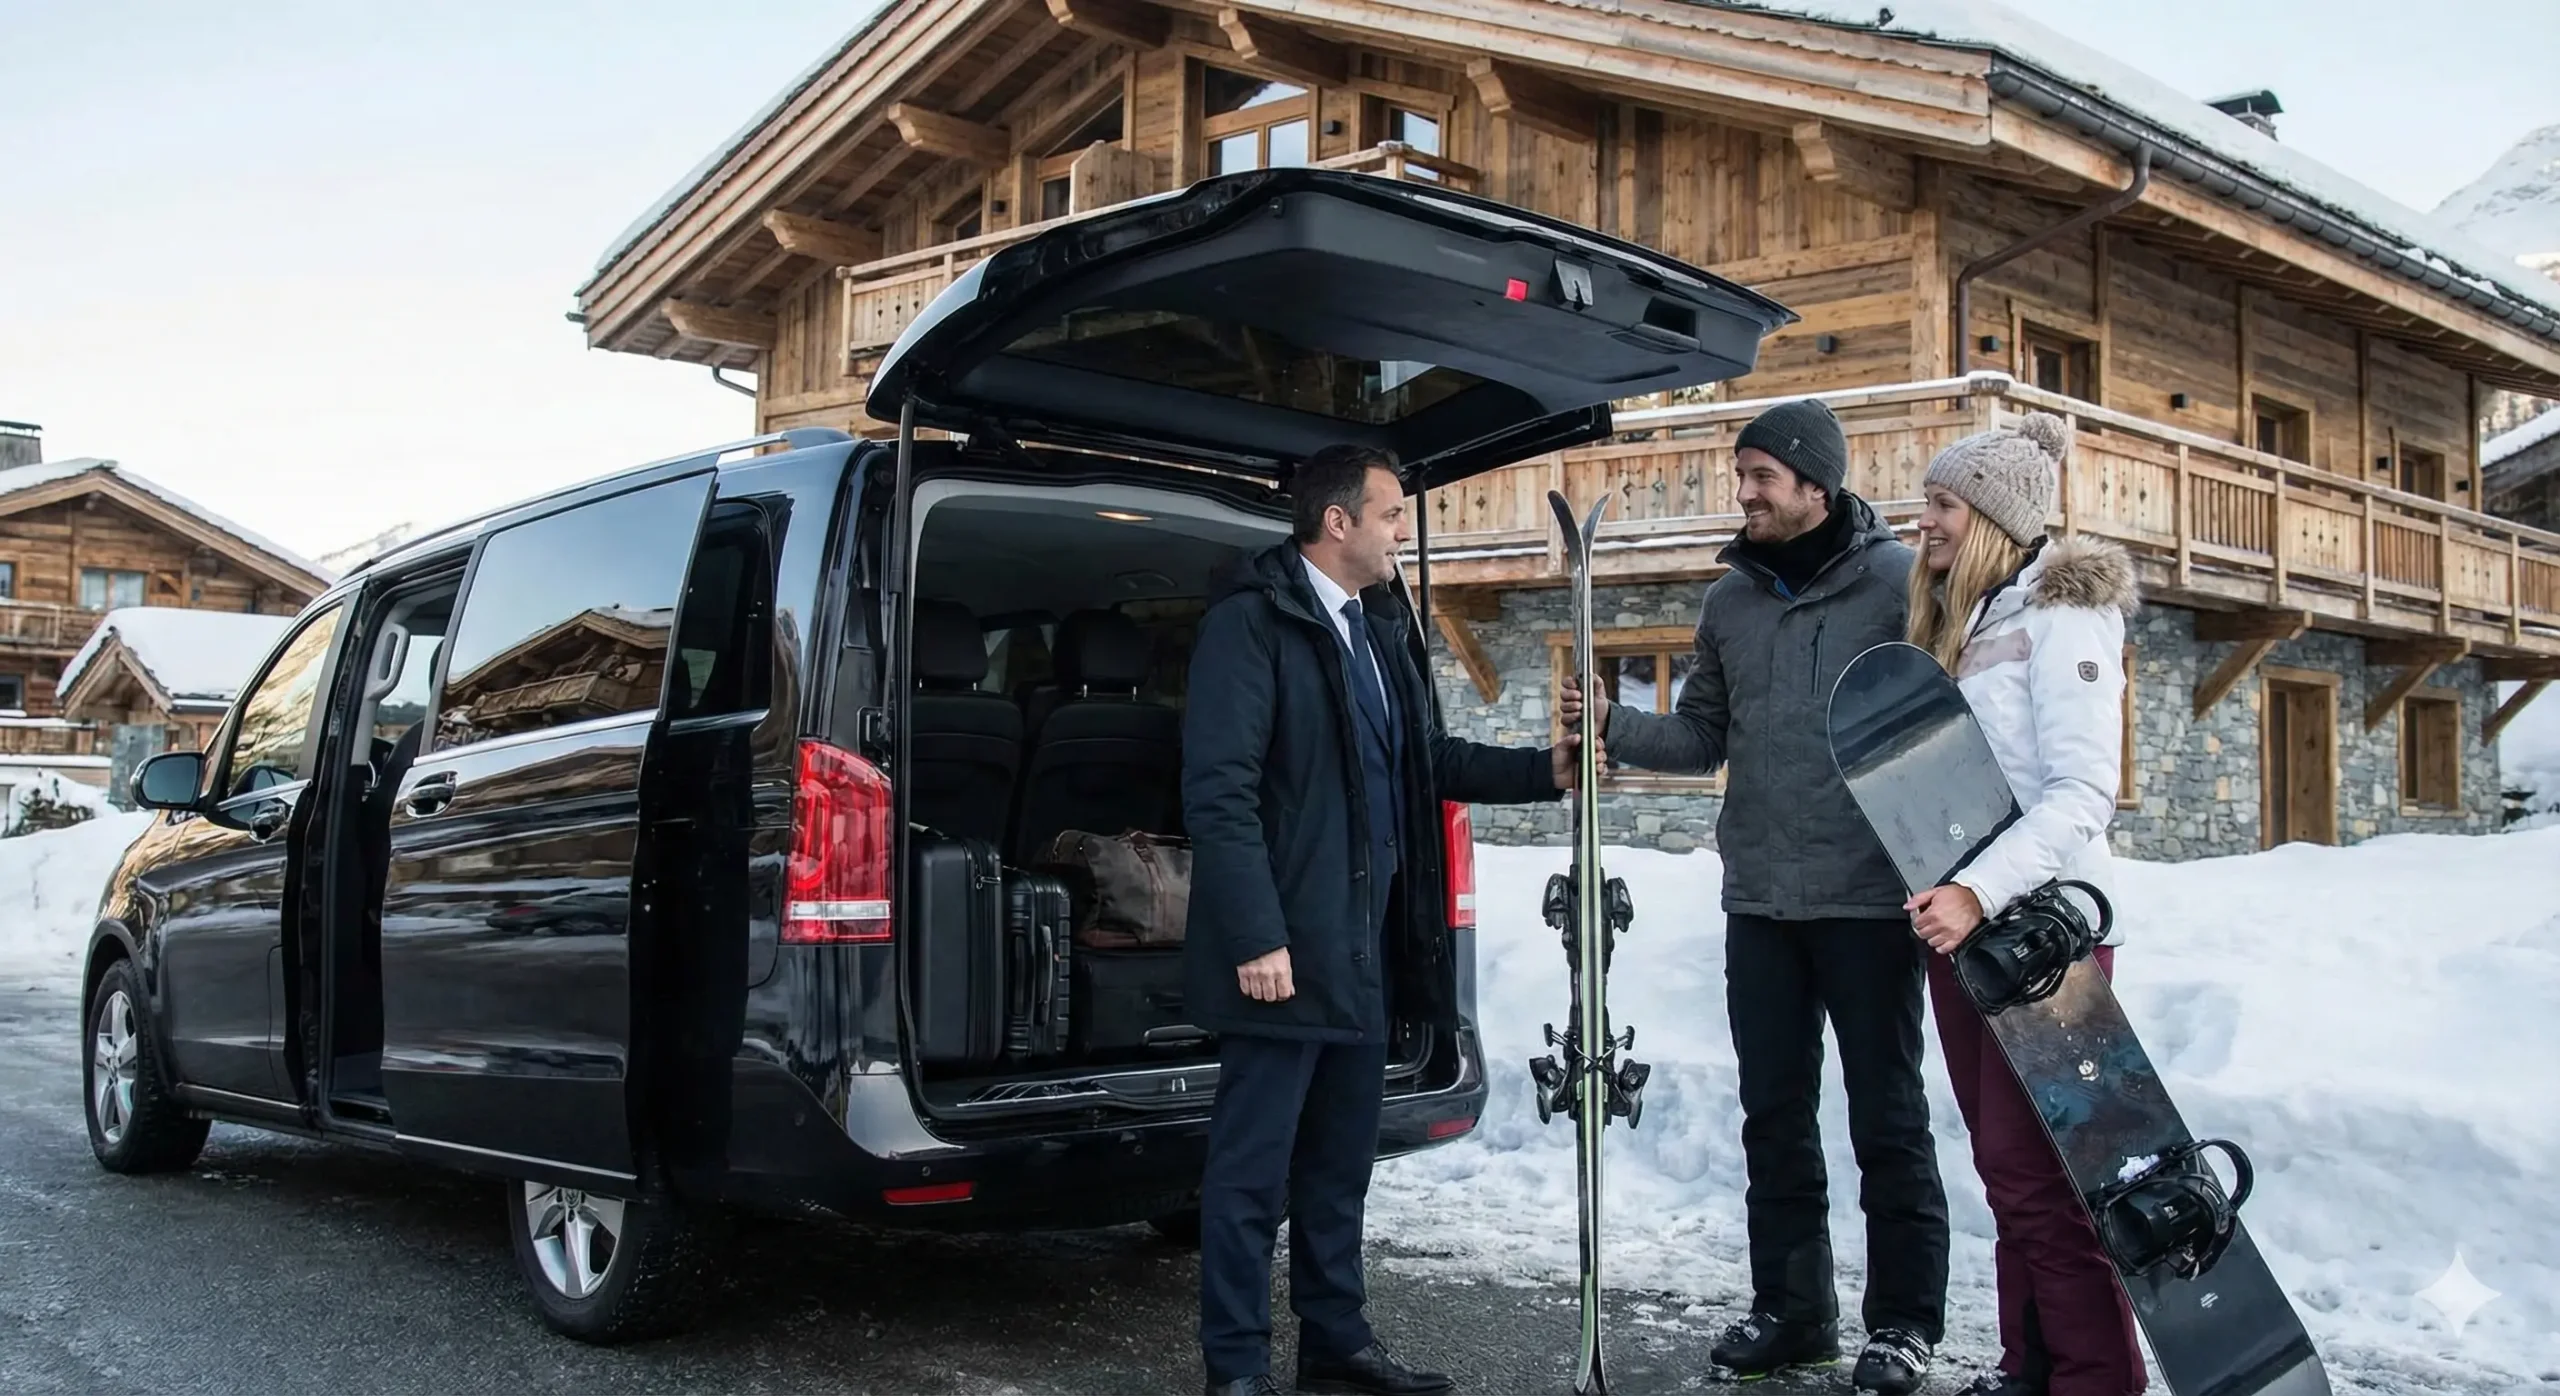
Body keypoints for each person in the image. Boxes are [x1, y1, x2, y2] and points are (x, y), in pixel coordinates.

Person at [1558, 397, 1948, 1395]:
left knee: (1886, 1118)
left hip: (1868, 902)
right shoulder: (1728, 600)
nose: (1745, 494)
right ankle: (1793, 1309)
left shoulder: (1900, 587)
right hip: (1761, 902)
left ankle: (1903, 1323)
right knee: (1773, 1113)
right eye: (1743, 476)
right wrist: (1614, 720)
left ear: (1815, 482)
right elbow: (1700, 737)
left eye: (1761, 477)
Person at [1183, 443, 1590, 1396]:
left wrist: (1548, 771)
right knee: (1250, 1179)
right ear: (1339, 523)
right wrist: (1256, 935)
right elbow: (1219, 795)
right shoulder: (1250, 627)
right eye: (1392, 514)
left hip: (1364, 948)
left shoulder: (1376, 630)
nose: (1402, 531)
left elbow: (1428, 760)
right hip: (1282, 950)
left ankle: (1337, 1346)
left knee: (1337, 1166)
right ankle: (1235, 1371)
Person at [1901, 412, 2142, 1396]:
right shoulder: (1972, 618)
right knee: (2009, 1175)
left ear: (1995, 517)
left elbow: (2085, 792)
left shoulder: (2064, 617)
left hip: (2045, 933)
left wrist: (1973, 887)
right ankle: (2026, 1366)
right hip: (1966, 935)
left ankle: (2096, 1379)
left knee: (2046, 1175)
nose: (1924, 522)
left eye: (1943, 504)